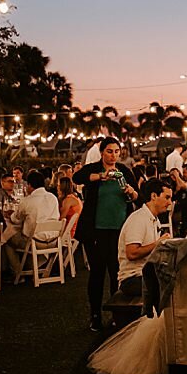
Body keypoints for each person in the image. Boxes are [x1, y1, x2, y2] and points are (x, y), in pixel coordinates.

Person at [74, 137, 140, 331]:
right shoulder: (93, 169)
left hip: (119, 230)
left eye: (116, 151)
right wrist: (101, 176)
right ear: (102, 152)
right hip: (96, 231)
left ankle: (116, 315)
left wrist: (132, 193)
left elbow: (138, 195)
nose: (113, 155)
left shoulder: (124, 171)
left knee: (116, 273)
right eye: (109, 151)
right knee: (96, 273)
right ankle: (95, 315)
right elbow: (77, 178)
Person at [117, 180, 172, 297]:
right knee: (175, 284)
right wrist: (158, 244)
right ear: (153, 196)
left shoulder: (153, 219)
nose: (170, 203)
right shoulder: (138, 219)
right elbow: (131, 254)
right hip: (132, 279)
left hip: (145, 275)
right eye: (167, 198)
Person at [4, 171, 61, 282]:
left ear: (29, 185)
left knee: (7, 239)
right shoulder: (53, 198)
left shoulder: (28, 201)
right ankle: (33, 267)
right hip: (53, 240)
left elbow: (15, 219)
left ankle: (18, 273)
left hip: (35, 242)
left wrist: (9, 214)